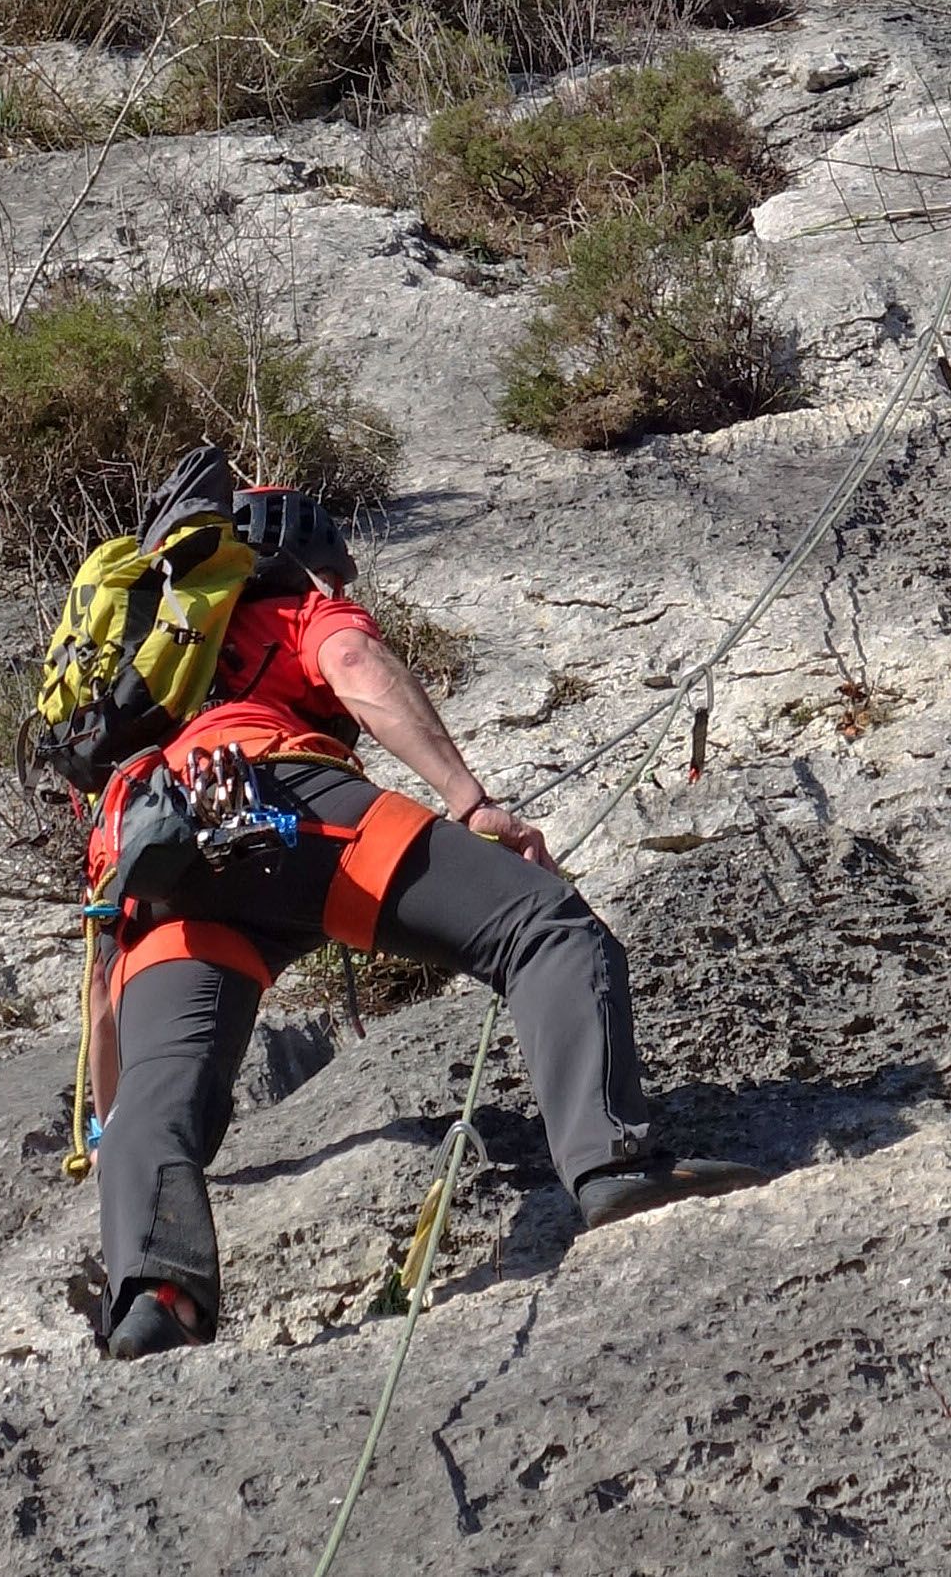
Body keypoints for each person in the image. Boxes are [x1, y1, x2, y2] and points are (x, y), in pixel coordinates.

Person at [79, 458, 765, 1361]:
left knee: (160, 1098)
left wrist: (106, 1123)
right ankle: (613, 1164)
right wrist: (470, 800)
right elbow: (356, 665)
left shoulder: (139, 714)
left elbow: (101, 993)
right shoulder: (290, 610)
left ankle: (157, 1294)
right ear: (308, 564)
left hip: (151, 863)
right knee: (542, 926)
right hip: (274, 806)